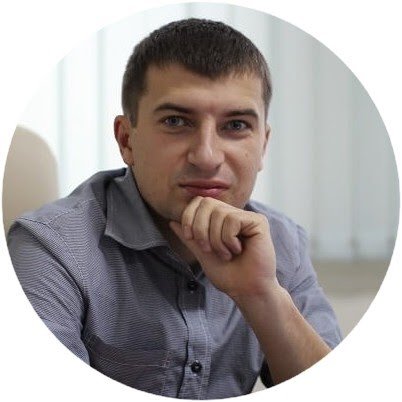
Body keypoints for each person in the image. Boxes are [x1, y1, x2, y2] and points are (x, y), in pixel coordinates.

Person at [7, 18, 342, 399]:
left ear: (263, 145)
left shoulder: (282, 241)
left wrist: (261, 295)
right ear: (126, 140)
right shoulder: (50, 248)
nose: (207, 156)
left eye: (235, 125)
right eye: (176, 121)